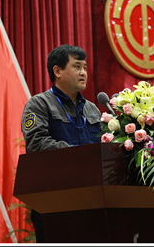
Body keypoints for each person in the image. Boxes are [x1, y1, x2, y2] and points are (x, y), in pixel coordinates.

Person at [20, 44, 101, 243]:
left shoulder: (92, 109)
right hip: (54, 200)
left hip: (94, 199)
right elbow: (37, 143)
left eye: (85, 67)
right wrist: (80, 155)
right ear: (57, 71)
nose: (83, 73)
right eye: (77, 66)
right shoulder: (39, 104)